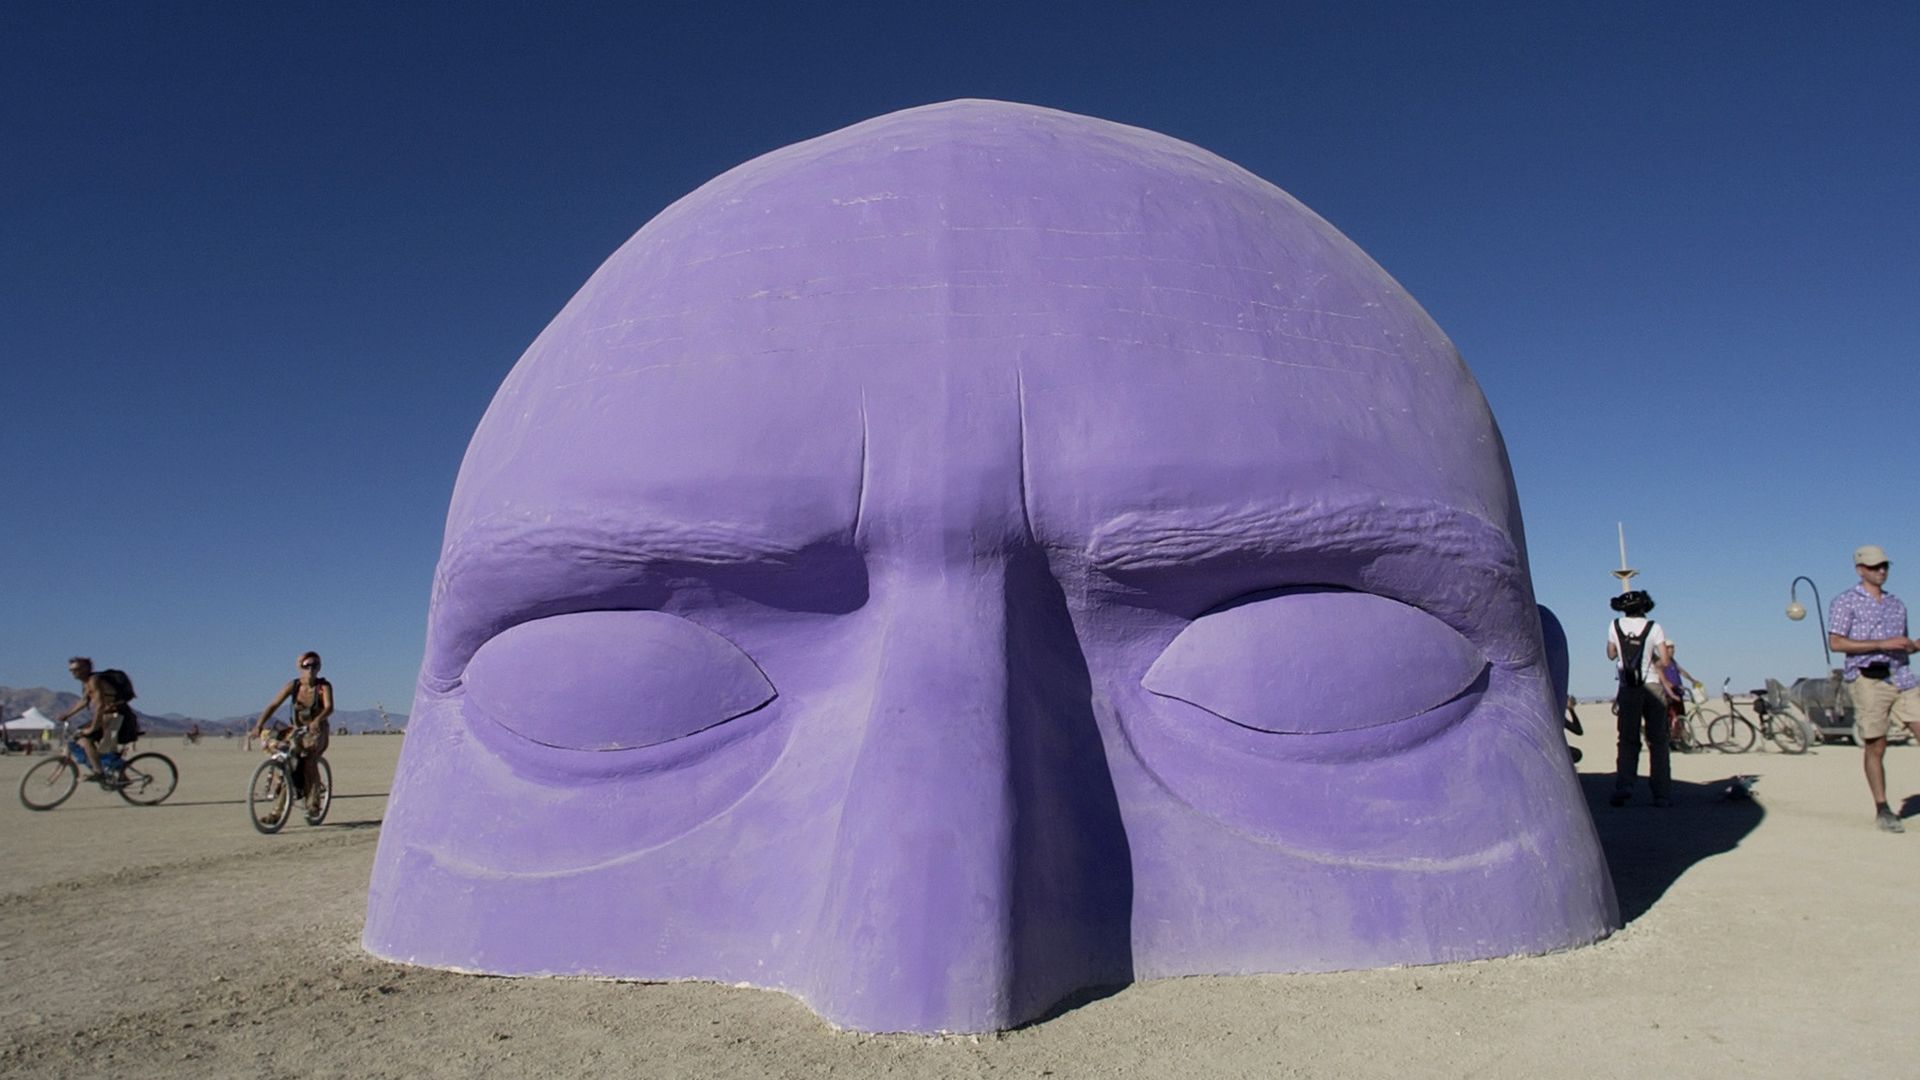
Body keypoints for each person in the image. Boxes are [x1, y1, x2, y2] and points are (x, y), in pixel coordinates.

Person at [1826, 545, 1920, 833]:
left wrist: (1912, 645)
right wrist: (1881, 644)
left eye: (1884, 566)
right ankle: (1882, 807)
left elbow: (1903, 644)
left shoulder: (1896, 604)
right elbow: (1836, 643)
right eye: (1874, 566)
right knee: (1876, 744)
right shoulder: (1845, 601)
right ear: (1860, 570)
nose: (1881, 571)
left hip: (1902, 676)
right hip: (1869, 680)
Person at [1605, 590, 1672, 807]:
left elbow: (1611, 654)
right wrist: (1652, 660)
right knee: (1658, 741)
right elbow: (1665, 660)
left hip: (1628, 687)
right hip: (1652, 685)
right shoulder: (1654, 627)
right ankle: (1661, 794)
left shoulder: (1614, 625)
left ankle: (1625, 785)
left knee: (1627, 739)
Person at [253, 651, 333, 820]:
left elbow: (329, 707)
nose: (310, 669)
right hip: (297, 729)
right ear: (300, 667)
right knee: (288, 765)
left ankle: (313, 804)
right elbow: (274, 705)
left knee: (309, 760)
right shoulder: (294, 686)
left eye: (315, 665)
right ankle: (276, 813)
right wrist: (259, 724)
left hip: (317, 731)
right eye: (307, 666)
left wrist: (317, 720)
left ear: (319, 668)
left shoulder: (323, 687)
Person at [53, 657, 130, 784]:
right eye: (71, 670)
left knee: (88, 739)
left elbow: (100, 705)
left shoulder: (94, 680)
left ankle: (98, 772)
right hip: (108, 717)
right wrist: (67, 714)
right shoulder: (87, 682)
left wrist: (93, 727)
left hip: (115, 717)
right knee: (88, 739)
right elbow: (84, 701)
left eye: (76, 669)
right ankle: (119, 777)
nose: (73, 673)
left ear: (86, 668)